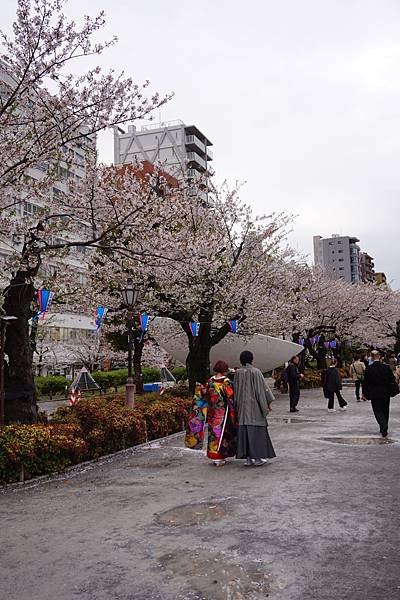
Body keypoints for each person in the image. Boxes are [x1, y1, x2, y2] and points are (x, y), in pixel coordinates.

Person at [185, 360, 237, 466]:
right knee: (222, 434)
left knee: (213, 434)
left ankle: (213, 455)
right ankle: (219, 456)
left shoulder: (210, 382)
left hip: (211, 411)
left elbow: (202, 394)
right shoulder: (226, 382)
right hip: (223, 412)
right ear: (225, 370)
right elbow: (231, 396)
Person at [233, 350, 276, 467]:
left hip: (242, 408)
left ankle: (248, 459)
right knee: (256, 432)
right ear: (251, 359)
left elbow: (235, 391)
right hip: (255, 407)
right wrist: (266, 405)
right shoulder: (256, 372)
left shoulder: (238, 373)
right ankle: (257, 458)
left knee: (245, 432)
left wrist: (236, 406)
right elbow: (262, 391)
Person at [363, 350, 398, 438]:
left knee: (377, 410)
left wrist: (365, 393)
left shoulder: (369, 368)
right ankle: (384, 425)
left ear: (371, 357)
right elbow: (392, 379)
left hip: (374, 393)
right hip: (385, 392)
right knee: (385, 409)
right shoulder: (386, 367)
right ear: (379, 356)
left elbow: (365, 382)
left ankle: (383, 425)